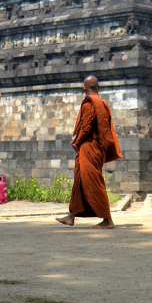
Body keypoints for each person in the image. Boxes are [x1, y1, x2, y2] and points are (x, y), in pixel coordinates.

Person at [56, 75, 122, 229]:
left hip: (90, 147)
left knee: (93, 182)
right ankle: (71, 215)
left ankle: (107, 220)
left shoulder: (89, 103)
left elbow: (86, 127)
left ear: (84, 89)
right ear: (98, 87)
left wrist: (76, 141)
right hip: (97, 148)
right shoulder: (103, 103)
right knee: (80, 179)